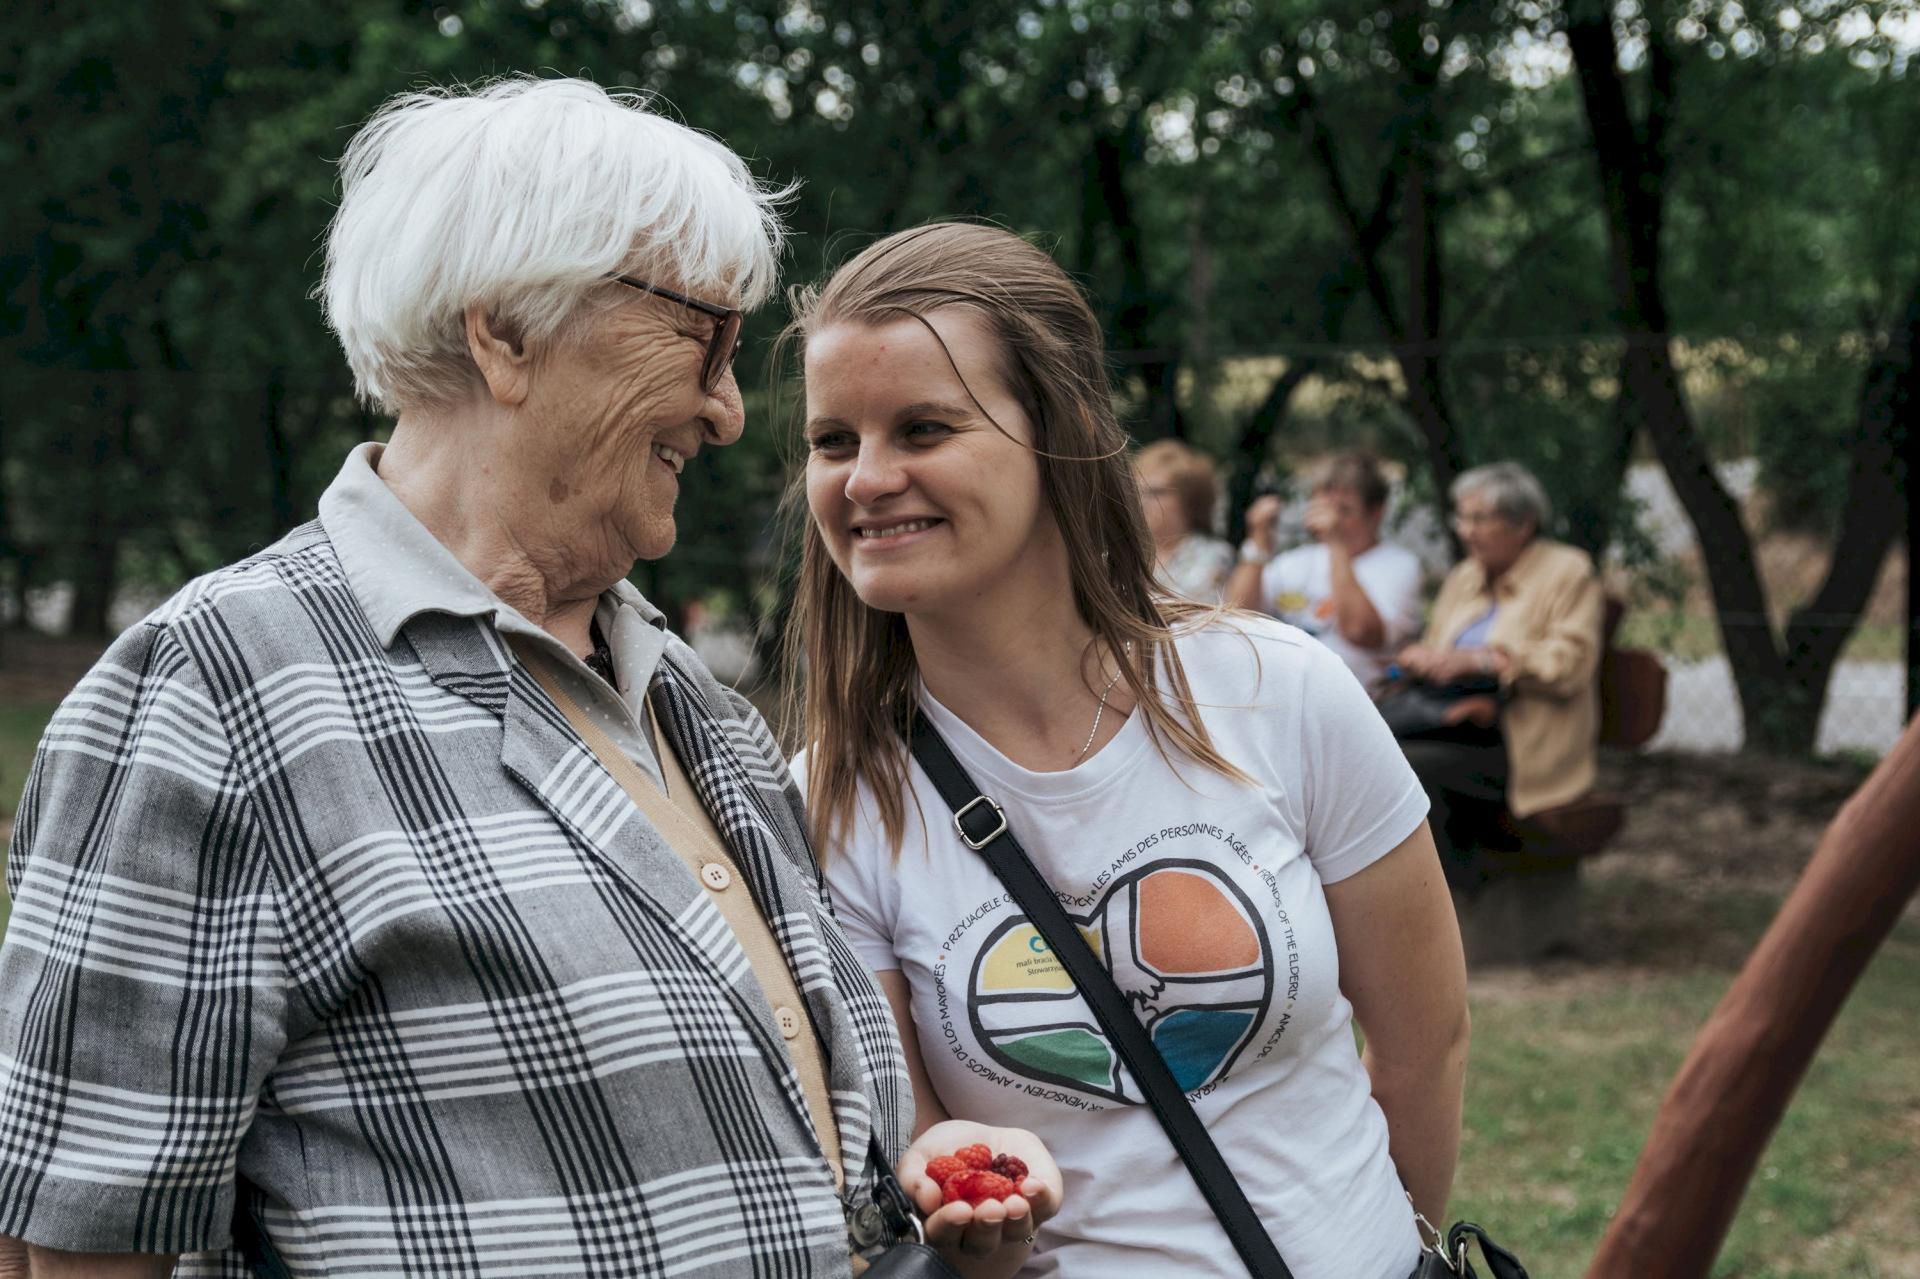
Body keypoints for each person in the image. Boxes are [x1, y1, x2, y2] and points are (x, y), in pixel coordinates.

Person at [0, 79, 1037, 1279]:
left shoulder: (692, 704)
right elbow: (69, 1250)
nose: (726, 411)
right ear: (505, 333)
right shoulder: (212, 693)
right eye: (705, 338)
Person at [785, 222, 1469, 1279]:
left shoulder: (1276, 689)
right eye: (834, 441)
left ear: (1056, 434)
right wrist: (977, 1208)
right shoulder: (831, 801)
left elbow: (1425, 1045)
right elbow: (918, 1160)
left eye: (922, 428)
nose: (867, 478)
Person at [1392, 461, 1604, 885]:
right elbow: (1443, 647)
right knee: (1375, 757)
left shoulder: (1569, 571)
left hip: (1523, 741)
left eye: (1479, 519)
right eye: (1462, 518)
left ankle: (1448, 905)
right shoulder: (1465, 575)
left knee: (1412, 771)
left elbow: (1570, 664)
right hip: (1453, 723)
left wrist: (1487, 660)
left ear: (1522, 524)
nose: (1466, 531)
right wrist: (1424, 657)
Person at [1225, 452, 1425, 693]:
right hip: (1280, 694)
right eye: (1324, 508)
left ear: (1376, 512)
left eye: (1344, 510)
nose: (1330, 519)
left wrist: (1336, 544)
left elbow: (1359, 631)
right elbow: (1235, 617)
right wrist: (1257, 540)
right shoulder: (1295, 561)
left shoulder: (1400, 566)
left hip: (1357, 703)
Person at [1133, 439, 1233, 602]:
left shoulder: (1214, 555)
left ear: (1190, 500)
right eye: (1138, 491)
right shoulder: (1124, 551)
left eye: (1157, 492)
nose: (1143, 501)